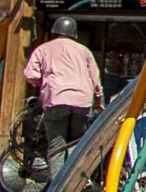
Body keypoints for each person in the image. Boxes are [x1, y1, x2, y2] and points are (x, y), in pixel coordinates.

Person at [22, 16, 102, 179]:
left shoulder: (43, 49)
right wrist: (98, 101)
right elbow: (96, 80)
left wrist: (41, 83)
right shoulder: (84, 51)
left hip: (56, 99)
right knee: (75, 142)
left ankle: (57, 186)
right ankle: (77, 181)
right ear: (74, 33)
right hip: (82, 101)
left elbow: (31, 75)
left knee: (57, 146)